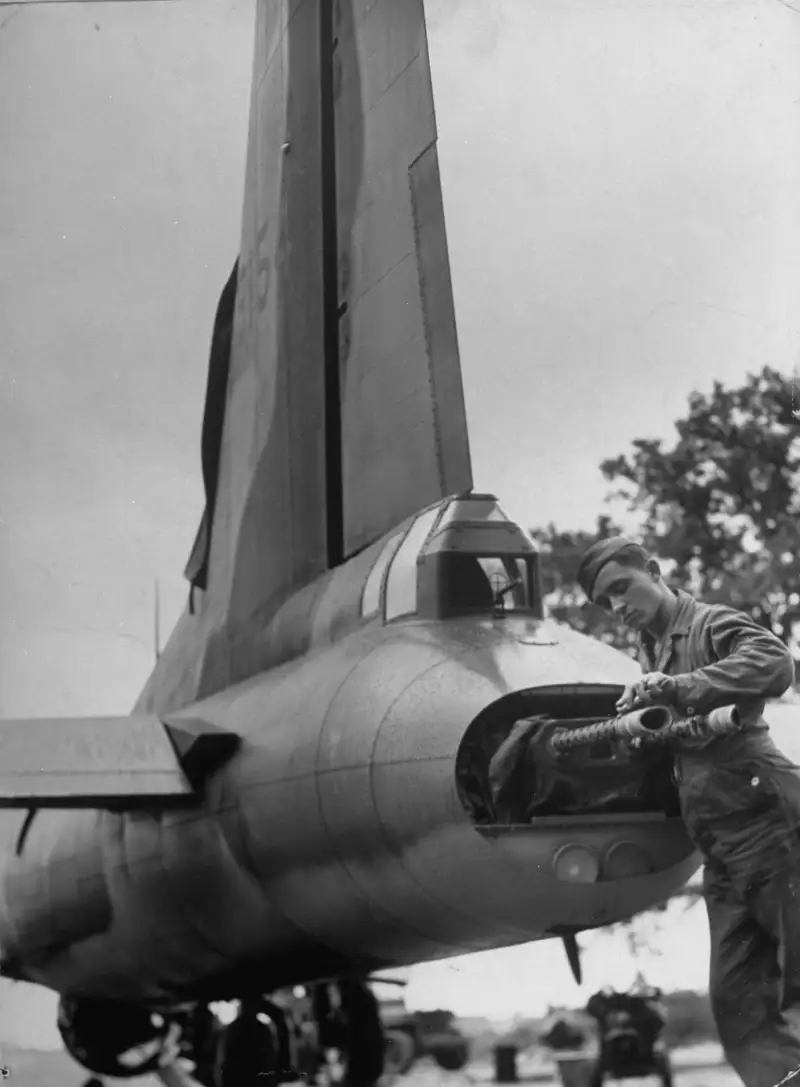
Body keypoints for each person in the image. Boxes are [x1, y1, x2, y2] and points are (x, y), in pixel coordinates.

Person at [577, 536, 800, 1087]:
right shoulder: (647, 654)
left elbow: (776, 662)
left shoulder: (709, 624)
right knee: (738, 1010)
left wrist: (682, 687)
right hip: (718, 846)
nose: (618, 607)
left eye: (622, 588)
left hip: (769, 821)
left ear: (653, 571)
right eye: (606, 603)